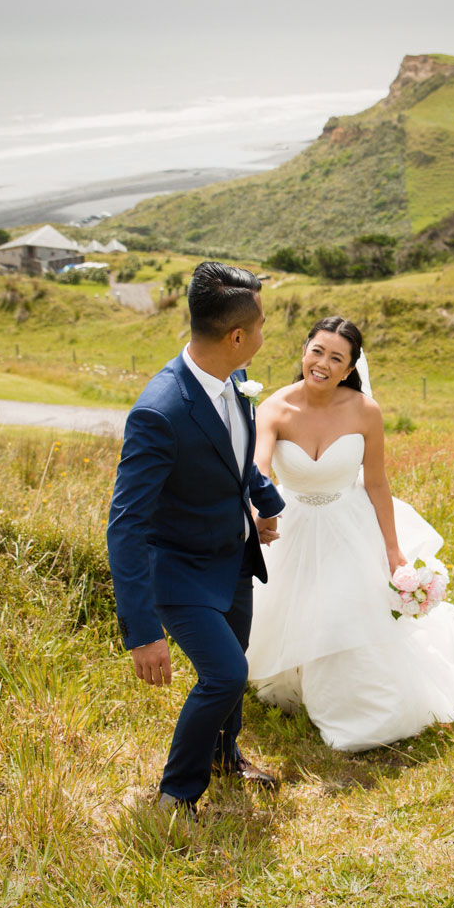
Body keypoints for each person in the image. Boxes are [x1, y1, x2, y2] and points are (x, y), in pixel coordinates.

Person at [247, 316, 454, 751]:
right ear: (304, 350)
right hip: (293, 528)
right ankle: (303, 683)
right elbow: (260, 471)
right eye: (317, 351)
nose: (322, 363)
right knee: (302, 610)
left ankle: (355, 710)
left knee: (345, 612)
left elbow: (377, 483)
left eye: (336, 358)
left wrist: (393, 550)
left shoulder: (365, 412)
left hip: (349, 525)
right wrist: (257, 514)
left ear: (350, 369)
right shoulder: (274, 408)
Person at [106, 261, 286, 817]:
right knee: (225, 674)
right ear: (237, 336)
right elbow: (125, 524)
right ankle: (175, 795)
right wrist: (142, 632)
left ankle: (223, 754)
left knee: (237, 665)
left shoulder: (234, 380)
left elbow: (231, 458)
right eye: (259, 326)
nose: (263, 335)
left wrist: (265, 497)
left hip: (231, 557)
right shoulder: (160, 411)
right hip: (180, 571)